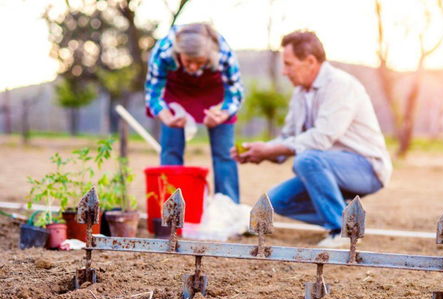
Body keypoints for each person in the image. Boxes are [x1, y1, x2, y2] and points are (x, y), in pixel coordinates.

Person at [231, 31, 392, 247]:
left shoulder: (340, 85)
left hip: (366, 168)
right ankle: (349, 214)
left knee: (306, 160)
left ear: (310, 61)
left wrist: (272, 150)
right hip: (325, 167)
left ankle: (342, 229)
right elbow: (289, 137)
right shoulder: (300, 93)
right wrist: (258, 151)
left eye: (289, 64)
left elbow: (321, 138)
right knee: (277, 201)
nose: (284, 71)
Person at [145, 23, 243, 203]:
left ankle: (228, 206)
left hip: (214, 93)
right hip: (176, 93)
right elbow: (153, 93)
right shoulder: (163, 52)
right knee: (171, 150)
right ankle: (171, 206)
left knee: (224, 153)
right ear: (178, 52)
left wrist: (222, 113)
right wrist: (165, 115)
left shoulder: (224, 54)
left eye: (199, 62)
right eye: (187, 60)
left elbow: (235, 94)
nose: (192, 67)